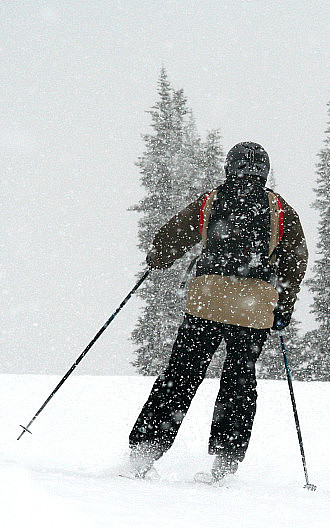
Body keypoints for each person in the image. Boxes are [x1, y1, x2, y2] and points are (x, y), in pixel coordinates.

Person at [128, 141, 308, 481]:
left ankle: (144, 452)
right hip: (252, 309)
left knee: (180, 375)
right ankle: (225, 463)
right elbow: (295, 259)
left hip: (207, 302)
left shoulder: (211, 200)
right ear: (264, 172)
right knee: (239, 384)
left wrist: (158, 258)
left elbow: (175, 233)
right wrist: (282, 306)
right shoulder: (279, 209)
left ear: (229, 167)